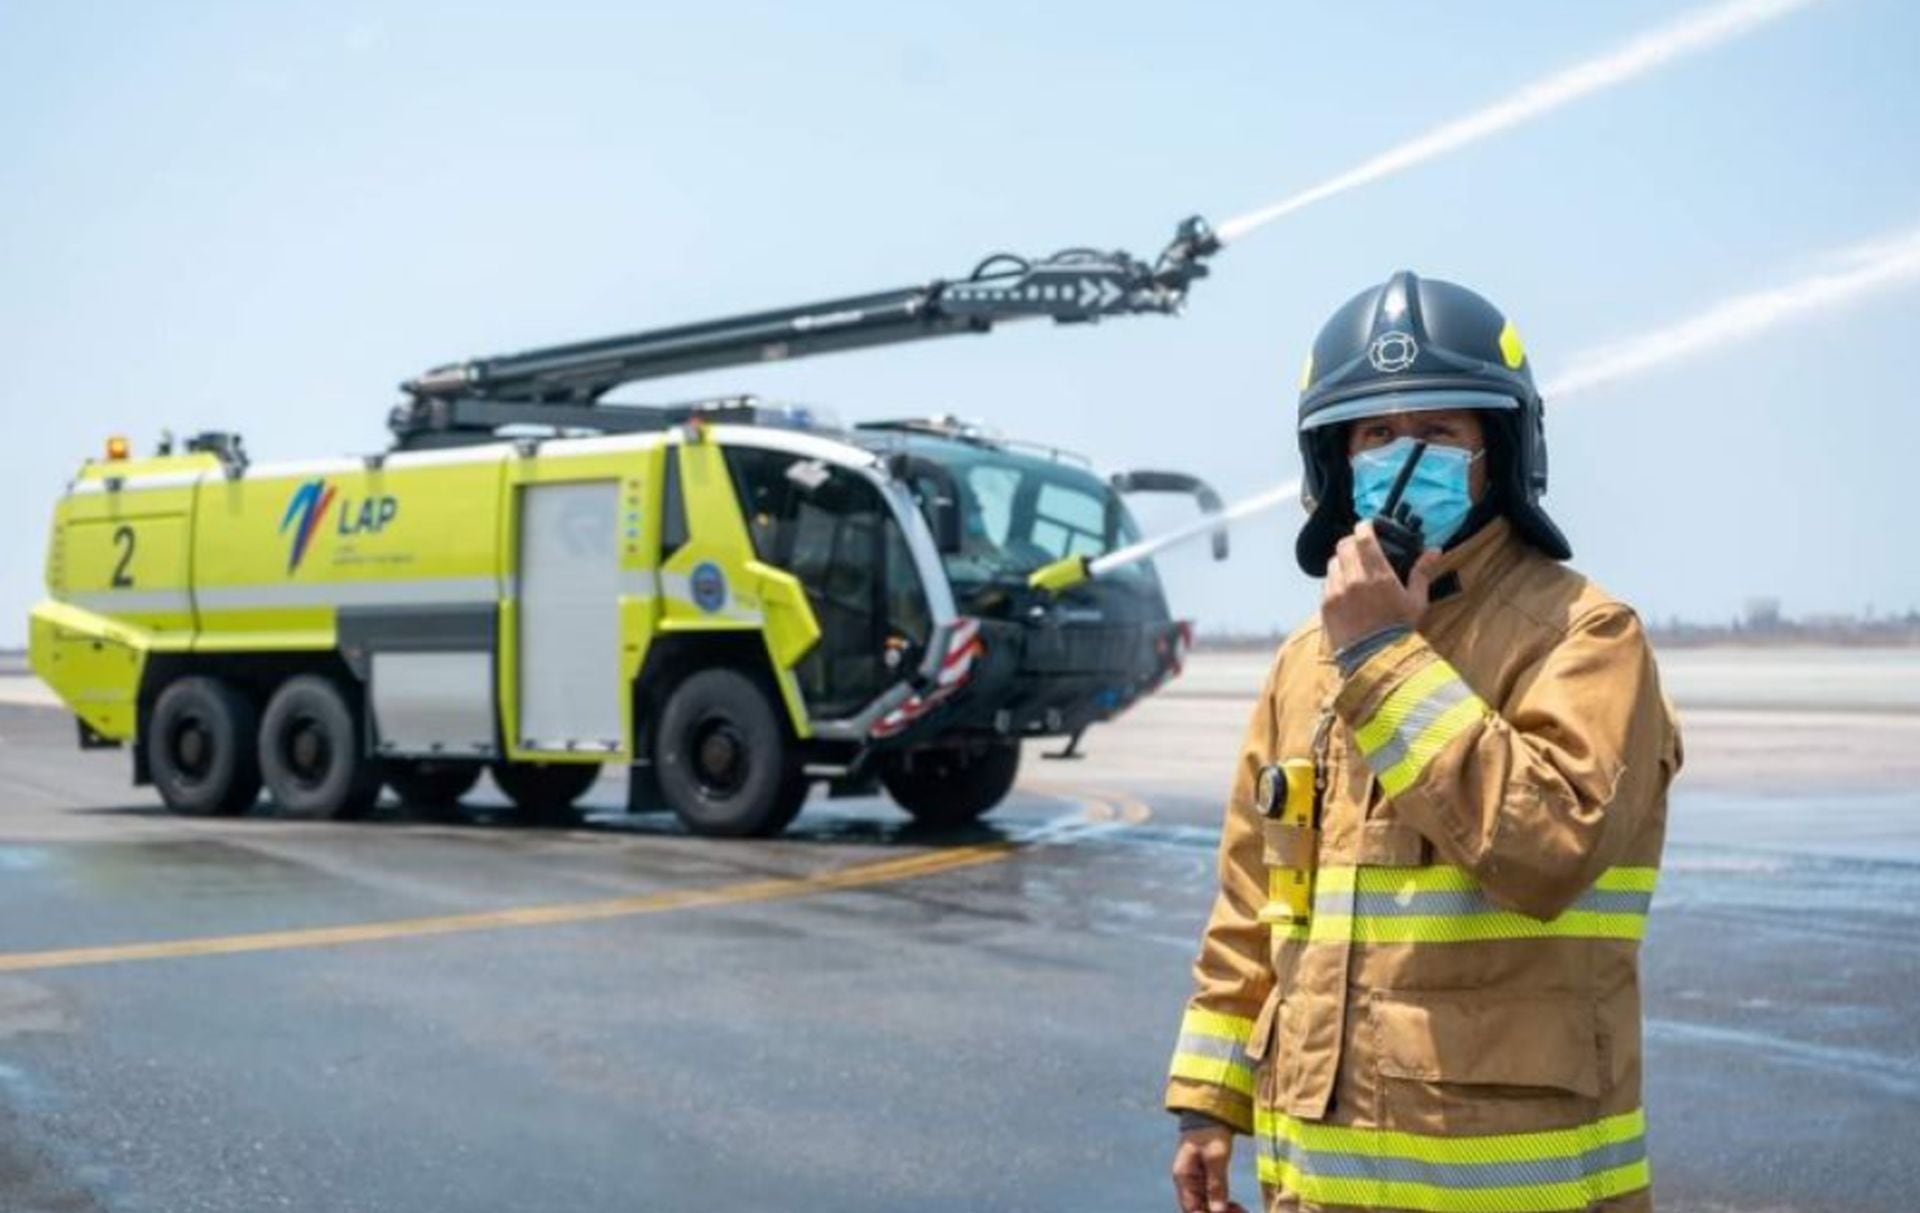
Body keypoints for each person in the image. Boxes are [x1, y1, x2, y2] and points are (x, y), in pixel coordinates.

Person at [1165, 271, 1682, 1213]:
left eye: (1441, 433)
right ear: (1334, 459)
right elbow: (1253, 902)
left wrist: (1381, 654)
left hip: (1514, 1185)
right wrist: (1209, 1100)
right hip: (1314, 1186)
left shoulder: (1585, 637)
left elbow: (1546, 846)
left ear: (1500, 454)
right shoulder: (1299, 666)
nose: (1405, 457)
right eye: (1375, 434)